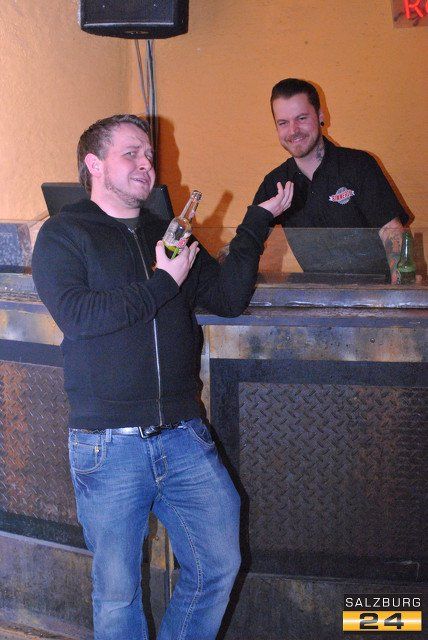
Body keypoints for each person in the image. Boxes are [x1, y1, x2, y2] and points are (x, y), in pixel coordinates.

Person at [31, 114, 293, 640]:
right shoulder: (63, 234)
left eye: (149, 155)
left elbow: (227, 298)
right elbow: (79, 317)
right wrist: (162, 282)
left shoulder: (170, 234)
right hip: (108, 443)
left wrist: (257, 222)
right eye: (130, 153)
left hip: (183, 433)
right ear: (93, 164)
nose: (146, 164)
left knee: (218, 562)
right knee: (118, 594)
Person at [253, 78, 410, 282]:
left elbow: (392, 232)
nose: (293, 130)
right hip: (318, 295)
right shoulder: (275, 183)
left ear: (320, 116)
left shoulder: (359, 165)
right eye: (283, 123)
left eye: (301, 118)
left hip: (374, 292)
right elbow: (247, 239)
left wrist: (399, 288)